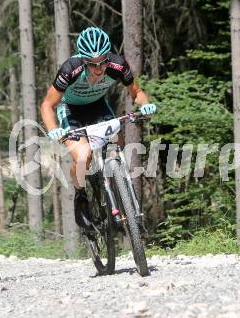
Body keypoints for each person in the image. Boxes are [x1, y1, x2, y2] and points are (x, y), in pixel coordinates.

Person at [40, 27, 157, 229]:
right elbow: (47, 105)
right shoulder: (71, 69)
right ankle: (81, 195)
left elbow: (136, 92)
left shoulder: (118, 65)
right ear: (83, 60)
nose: (99, 68)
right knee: (84, 156)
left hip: (97, 107)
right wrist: (53, 129)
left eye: (103, 61)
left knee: (117, 144)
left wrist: (145, 104)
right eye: (92, 64)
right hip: (71, 110)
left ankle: (116, 196)